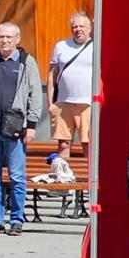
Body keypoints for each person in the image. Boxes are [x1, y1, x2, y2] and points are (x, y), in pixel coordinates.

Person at [0, 22, 46, 235]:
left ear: (17, 39)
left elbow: (34, 94)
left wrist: (31, 126)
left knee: (16, 177)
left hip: (15, 129)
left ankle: (16, 220)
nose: (4, 41)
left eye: (9, 37)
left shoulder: (26, 62)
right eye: (1, 37)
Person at [49, 11, 95, 161]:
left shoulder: (97, 46)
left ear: (89, 28)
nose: (78, 29)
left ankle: (88, 176)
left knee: (88, 145)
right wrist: (50, 103)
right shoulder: (61, 46)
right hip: (63, 103)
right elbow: (52, 75)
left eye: (82, 26)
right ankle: (63, 174)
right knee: (63, 144)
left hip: (88, 103)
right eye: (75, 27)